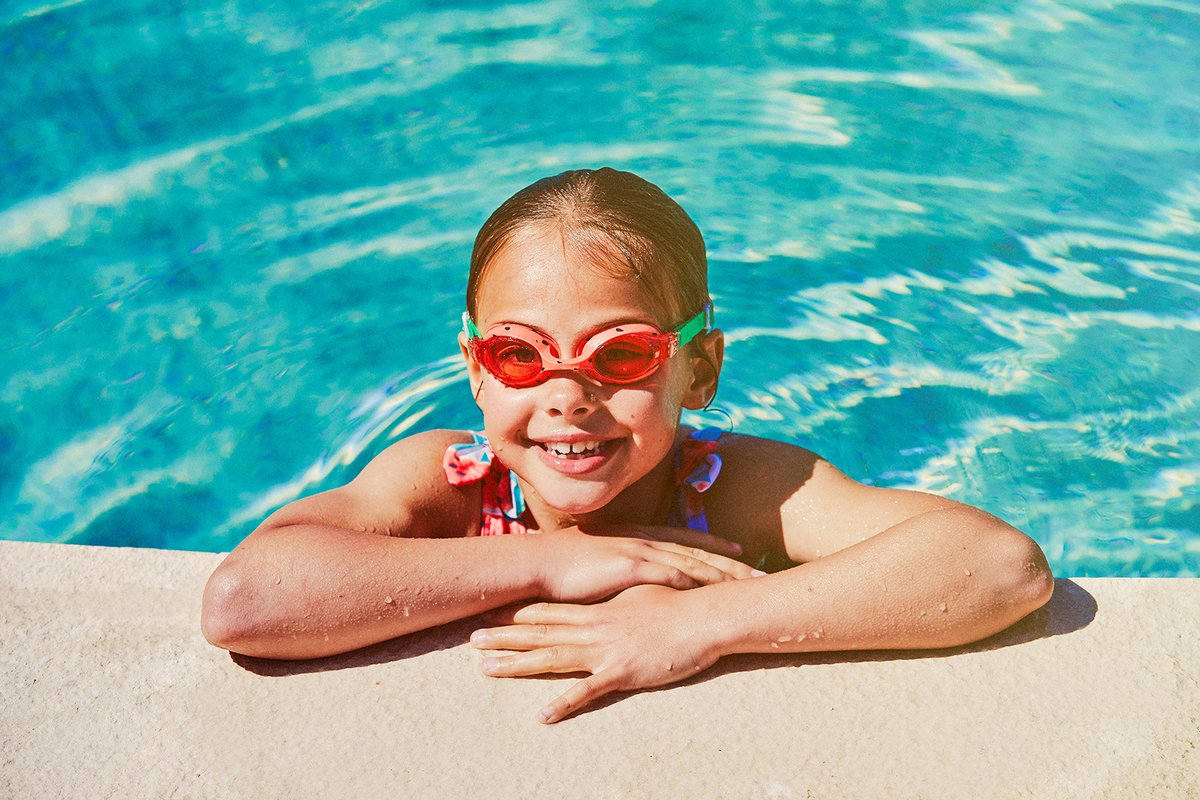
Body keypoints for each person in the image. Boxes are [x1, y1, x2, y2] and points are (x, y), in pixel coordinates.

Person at [201, 167, 1054, 724]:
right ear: (476, 369)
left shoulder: (737, 485)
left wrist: (702, 621)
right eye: (519, 355)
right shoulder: (451, 482)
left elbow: (995, 567)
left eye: (621, 354)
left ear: (698, 369)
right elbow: (245, 602)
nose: (567, 398)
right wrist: (546, 564)